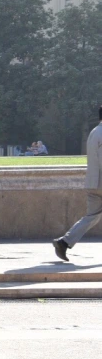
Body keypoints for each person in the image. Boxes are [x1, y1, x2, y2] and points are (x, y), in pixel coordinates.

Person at [54, 108, 102, 261]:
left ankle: (64, 242)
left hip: (93, 182)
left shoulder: (95, 131)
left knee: (92, 217)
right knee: (92, 216)